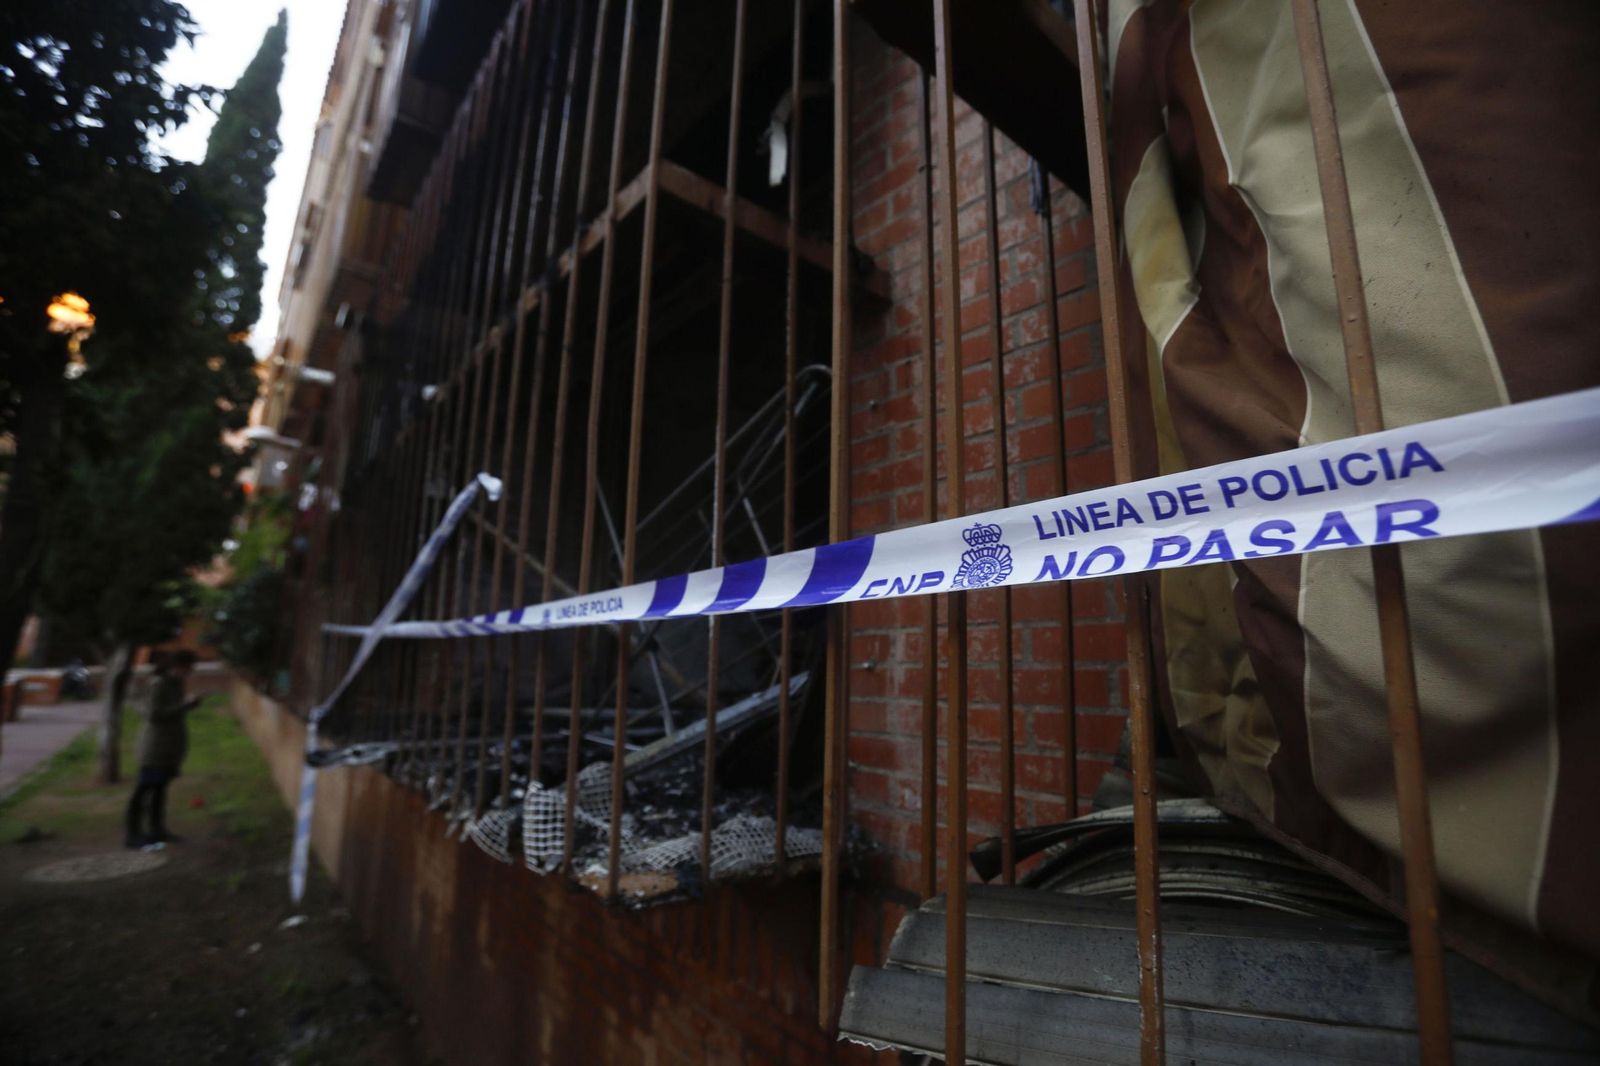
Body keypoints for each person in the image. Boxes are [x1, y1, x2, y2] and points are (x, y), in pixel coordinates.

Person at [125, 650, 200, 848]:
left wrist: (185, 706)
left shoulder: (175, 683)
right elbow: (153, 714)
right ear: (177, 666)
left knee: (160, 790)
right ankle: (133, 834)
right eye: (188, 668)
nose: (190, 672)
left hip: (170, 746)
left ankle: (157, 829)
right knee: (144, 790)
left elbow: (172, 710)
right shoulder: (159, 684)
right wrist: (184, 706)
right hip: (154, 747)